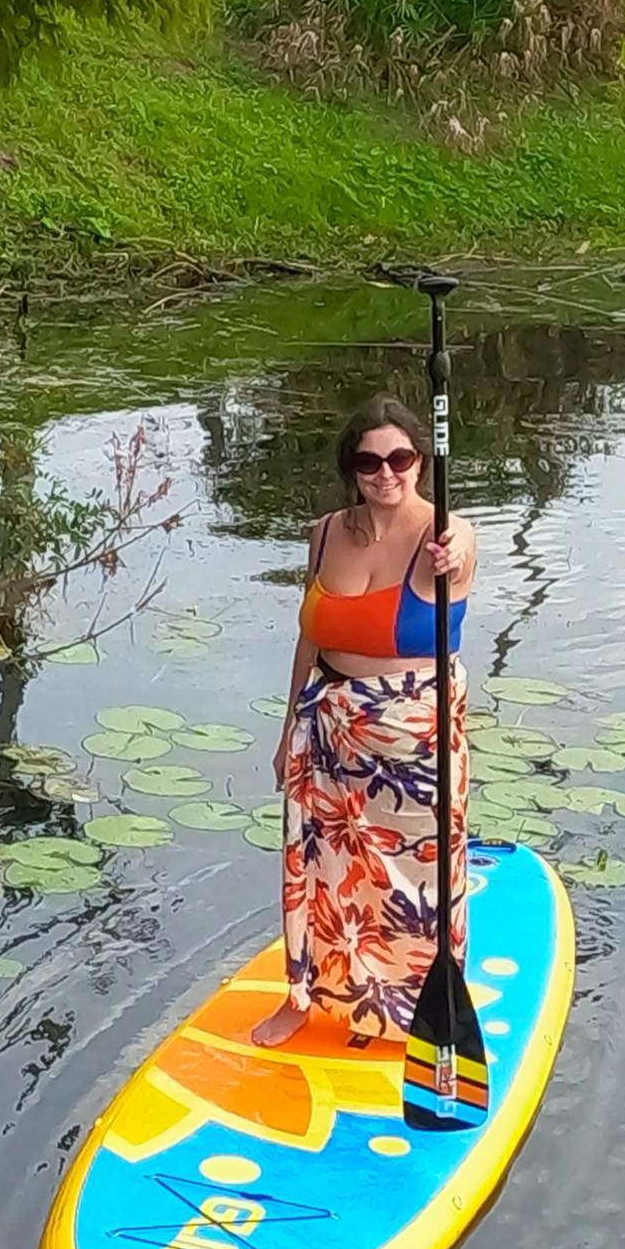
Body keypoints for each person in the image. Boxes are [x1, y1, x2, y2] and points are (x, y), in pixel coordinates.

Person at [252, 395, 476, 1049]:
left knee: (417, 881)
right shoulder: (324, 533)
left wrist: (452, 556)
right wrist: (288, 727)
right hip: (327, 725)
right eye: (369, 461)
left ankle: (425, 1010)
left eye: (400, 458)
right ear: (350, 467)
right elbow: (308, 637)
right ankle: (306, 997)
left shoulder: (446, 534)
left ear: (420, 461)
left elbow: (458, 549)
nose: (386, 474)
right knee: (318, 868)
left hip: (413, 740)